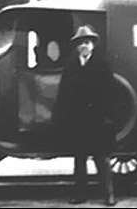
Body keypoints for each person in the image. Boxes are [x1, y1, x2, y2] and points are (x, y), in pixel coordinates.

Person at [54, 25, 117, 206]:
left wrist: (107, 117)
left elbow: (110, 94)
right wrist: (60, 115)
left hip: (97, 121)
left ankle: (109, 195)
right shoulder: (71, 66)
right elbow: (63, 93)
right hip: (77, 121)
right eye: (81, 43)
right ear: (77, 46)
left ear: (93, 45)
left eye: (87, 42)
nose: (84, 46)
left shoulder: (102, 65)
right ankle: (80, 194)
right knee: (79, 159)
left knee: (101, 159)